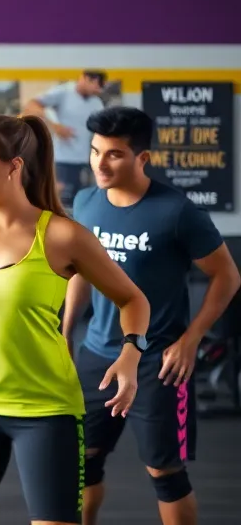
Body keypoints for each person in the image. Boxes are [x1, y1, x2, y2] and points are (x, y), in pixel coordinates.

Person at [0, 113, 151, 525]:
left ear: (14, 166)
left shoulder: (63, 236)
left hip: (47, 412)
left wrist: (130, 354)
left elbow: (133, 299)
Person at [63, 107, 239, 525]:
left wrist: (191, 338)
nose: (100, 164)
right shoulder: (86, 202)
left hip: (158, 364)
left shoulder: (176, 211)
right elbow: (80, 275)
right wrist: (65, 332)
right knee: (83, 464)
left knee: (166, 474)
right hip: (96, 356)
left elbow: (227, 276)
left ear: (142, 158)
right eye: (95, 152)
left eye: (114, 154)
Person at [22, 70, 107, 209]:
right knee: (58, 198)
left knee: (82, 202)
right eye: (97, 86)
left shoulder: (96, 103)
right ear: (86, 78)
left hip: (86, 160)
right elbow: (32, 105)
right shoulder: (63, 92)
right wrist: (54, 126)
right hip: (63, 159)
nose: (98, 90)